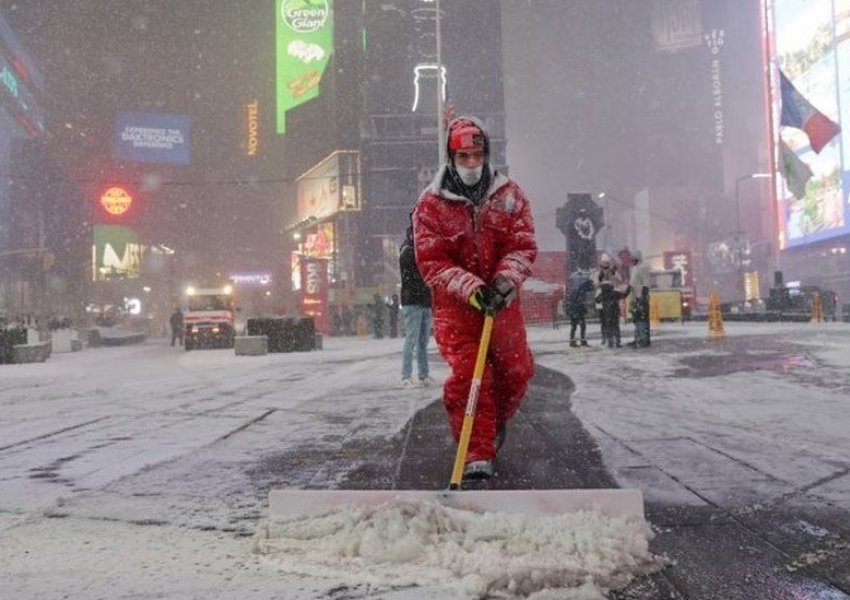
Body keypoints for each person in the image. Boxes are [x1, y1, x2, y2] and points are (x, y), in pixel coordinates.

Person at [413, 115, 537, 481]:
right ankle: (476, 451)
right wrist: (470, 289)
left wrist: (505, 280)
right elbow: (432, 260)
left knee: (516, 372)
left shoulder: (510, 196)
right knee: (471, 376)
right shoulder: (430, 206)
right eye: (463, 156)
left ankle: (489, 424)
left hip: (502, 303)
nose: (471, 164)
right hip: (457, 309)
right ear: (450, 157)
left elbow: (522, 244)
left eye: (476, 155)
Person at [399, 223, 434, 388]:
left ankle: (423, 374)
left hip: (424, 300)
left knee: (422, 341)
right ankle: (406, 376)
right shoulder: (408, 251)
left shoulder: (420, 250)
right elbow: (416, 274)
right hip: (413, 301)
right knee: (412, 339)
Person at [629, 250, 652, 348]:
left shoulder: (643, 268)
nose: (632, 260)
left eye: (633, 258)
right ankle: (638, 338)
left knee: (642, 320)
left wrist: (643, 296)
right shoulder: (634, 268)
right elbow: (633, 283)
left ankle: (643, 339)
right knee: (637, 319)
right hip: (635, 296)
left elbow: (646, 283)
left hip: (641, 297)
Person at [565, 274, 594, 347]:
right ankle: (581, 341)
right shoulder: (581, 292)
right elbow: (580, 303)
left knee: (574, 327)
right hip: (577, 311)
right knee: (582, 326)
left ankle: (573, 341)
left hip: (573, 311)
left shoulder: (577, 290)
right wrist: (583, 311)